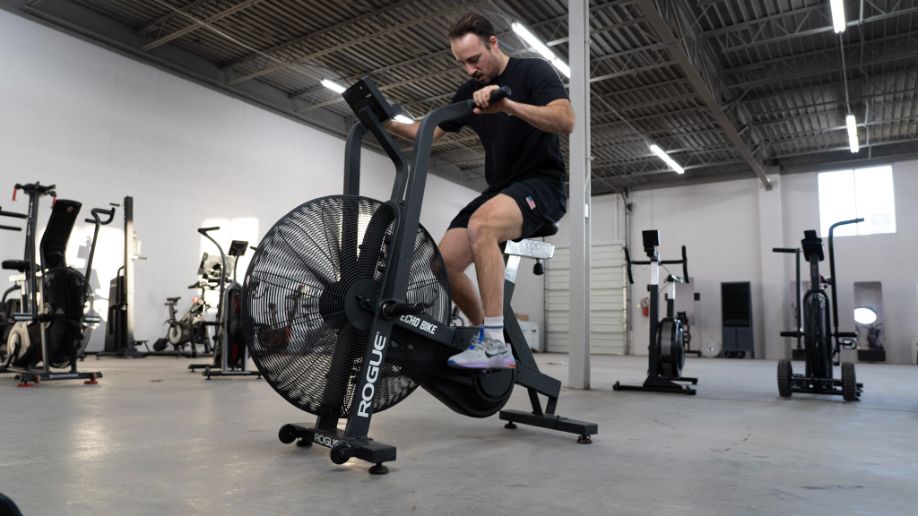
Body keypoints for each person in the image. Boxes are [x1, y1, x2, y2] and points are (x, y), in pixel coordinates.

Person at [384, 13, 574, 369]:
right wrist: (382, 119)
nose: (470, 70)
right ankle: (482, 334)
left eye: (475, 60)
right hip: (500, 189)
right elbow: (422, 132)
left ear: (494, 44)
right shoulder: (469, 93)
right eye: (462, 64)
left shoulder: (533, 72)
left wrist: (509, 106)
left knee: (481, 227)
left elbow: (566, 120)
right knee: (442, 264)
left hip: (542, 184)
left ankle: (495, 344)